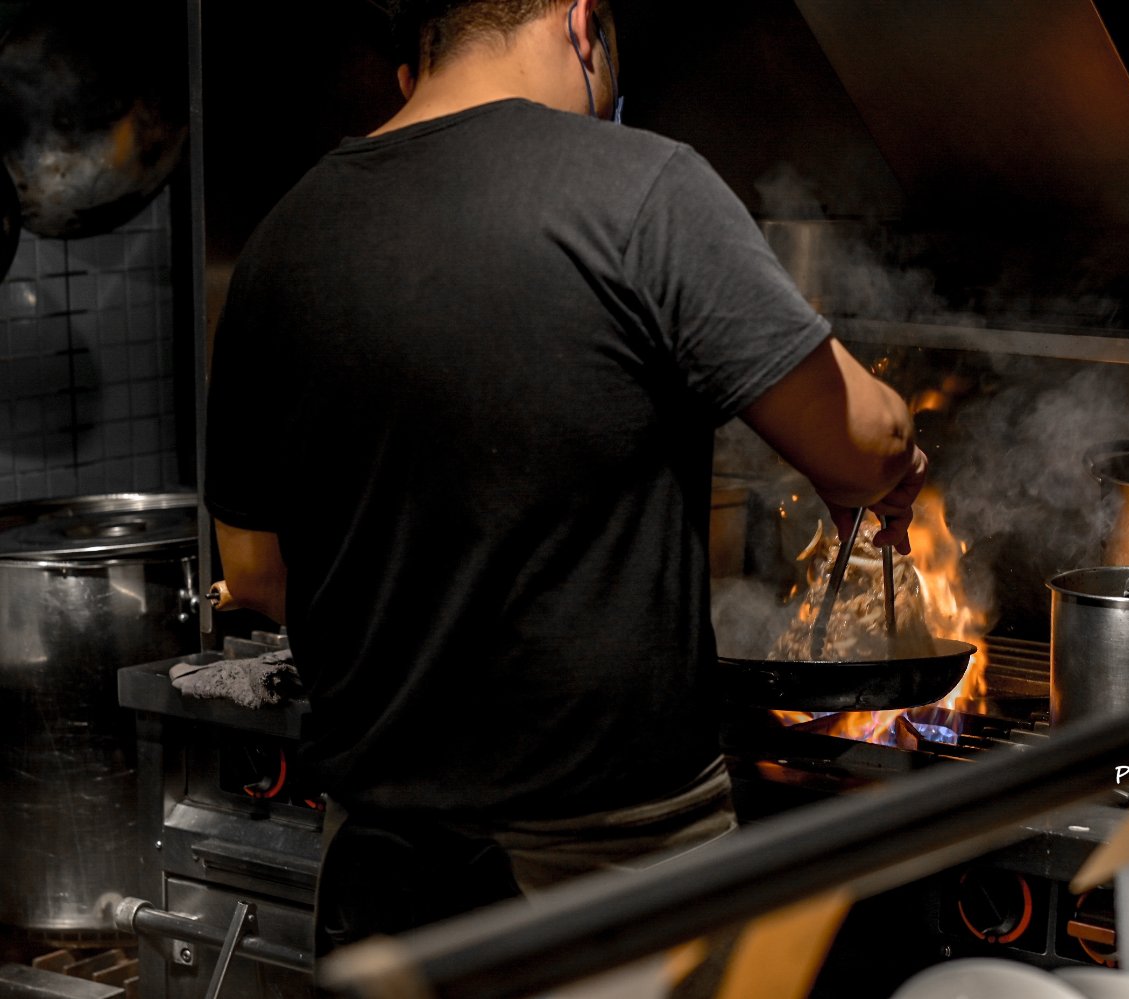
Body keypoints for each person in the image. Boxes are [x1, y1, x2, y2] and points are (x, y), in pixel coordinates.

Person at [204, 0, 928, 952]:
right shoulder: (641, 185)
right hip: (612, 884)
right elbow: (868, 439)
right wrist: (893, 467)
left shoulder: (280, 242)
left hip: (381, 880)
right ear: (583, 25)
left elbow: (256, 576)